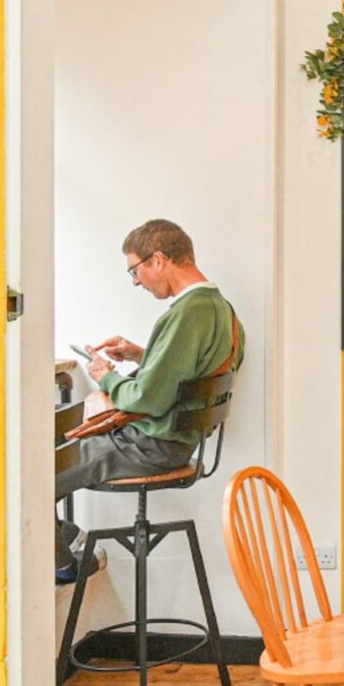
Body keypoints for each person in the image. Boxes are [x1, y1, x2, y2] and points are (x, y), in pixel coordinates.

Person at [56, 218, 243, 581]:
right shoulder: (221, 309)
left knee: (33, 474)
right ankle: (70, 542)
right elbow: (196, 372)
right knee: (49, 448)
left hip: (152, 445)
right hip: (174, 442)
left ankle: (67, 565)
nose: (135, 281)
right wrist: (143, 354)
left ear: (158, 259)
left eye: (135, 270)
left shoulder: (186, 313)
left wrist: (105, 376)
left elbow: (147, 401)